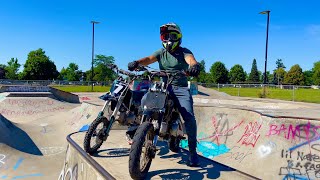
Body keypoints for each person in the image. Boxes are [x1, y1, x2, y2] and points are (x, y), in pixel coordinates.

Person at [127, 22, 201, 167]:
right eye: (165, 36)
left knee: (189, 117)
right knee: (143, 102)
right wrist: (137, 62)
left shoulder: (184, 52)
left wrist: (194, 66)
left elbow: (191, 60)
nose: (168, 39)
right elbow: (148, 59)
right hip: (163, 86)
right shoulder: (161, 52)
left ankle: (193, 152)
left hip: (179, 88)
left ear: (178, 37)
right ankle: (137, 131)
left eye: (171, 36)